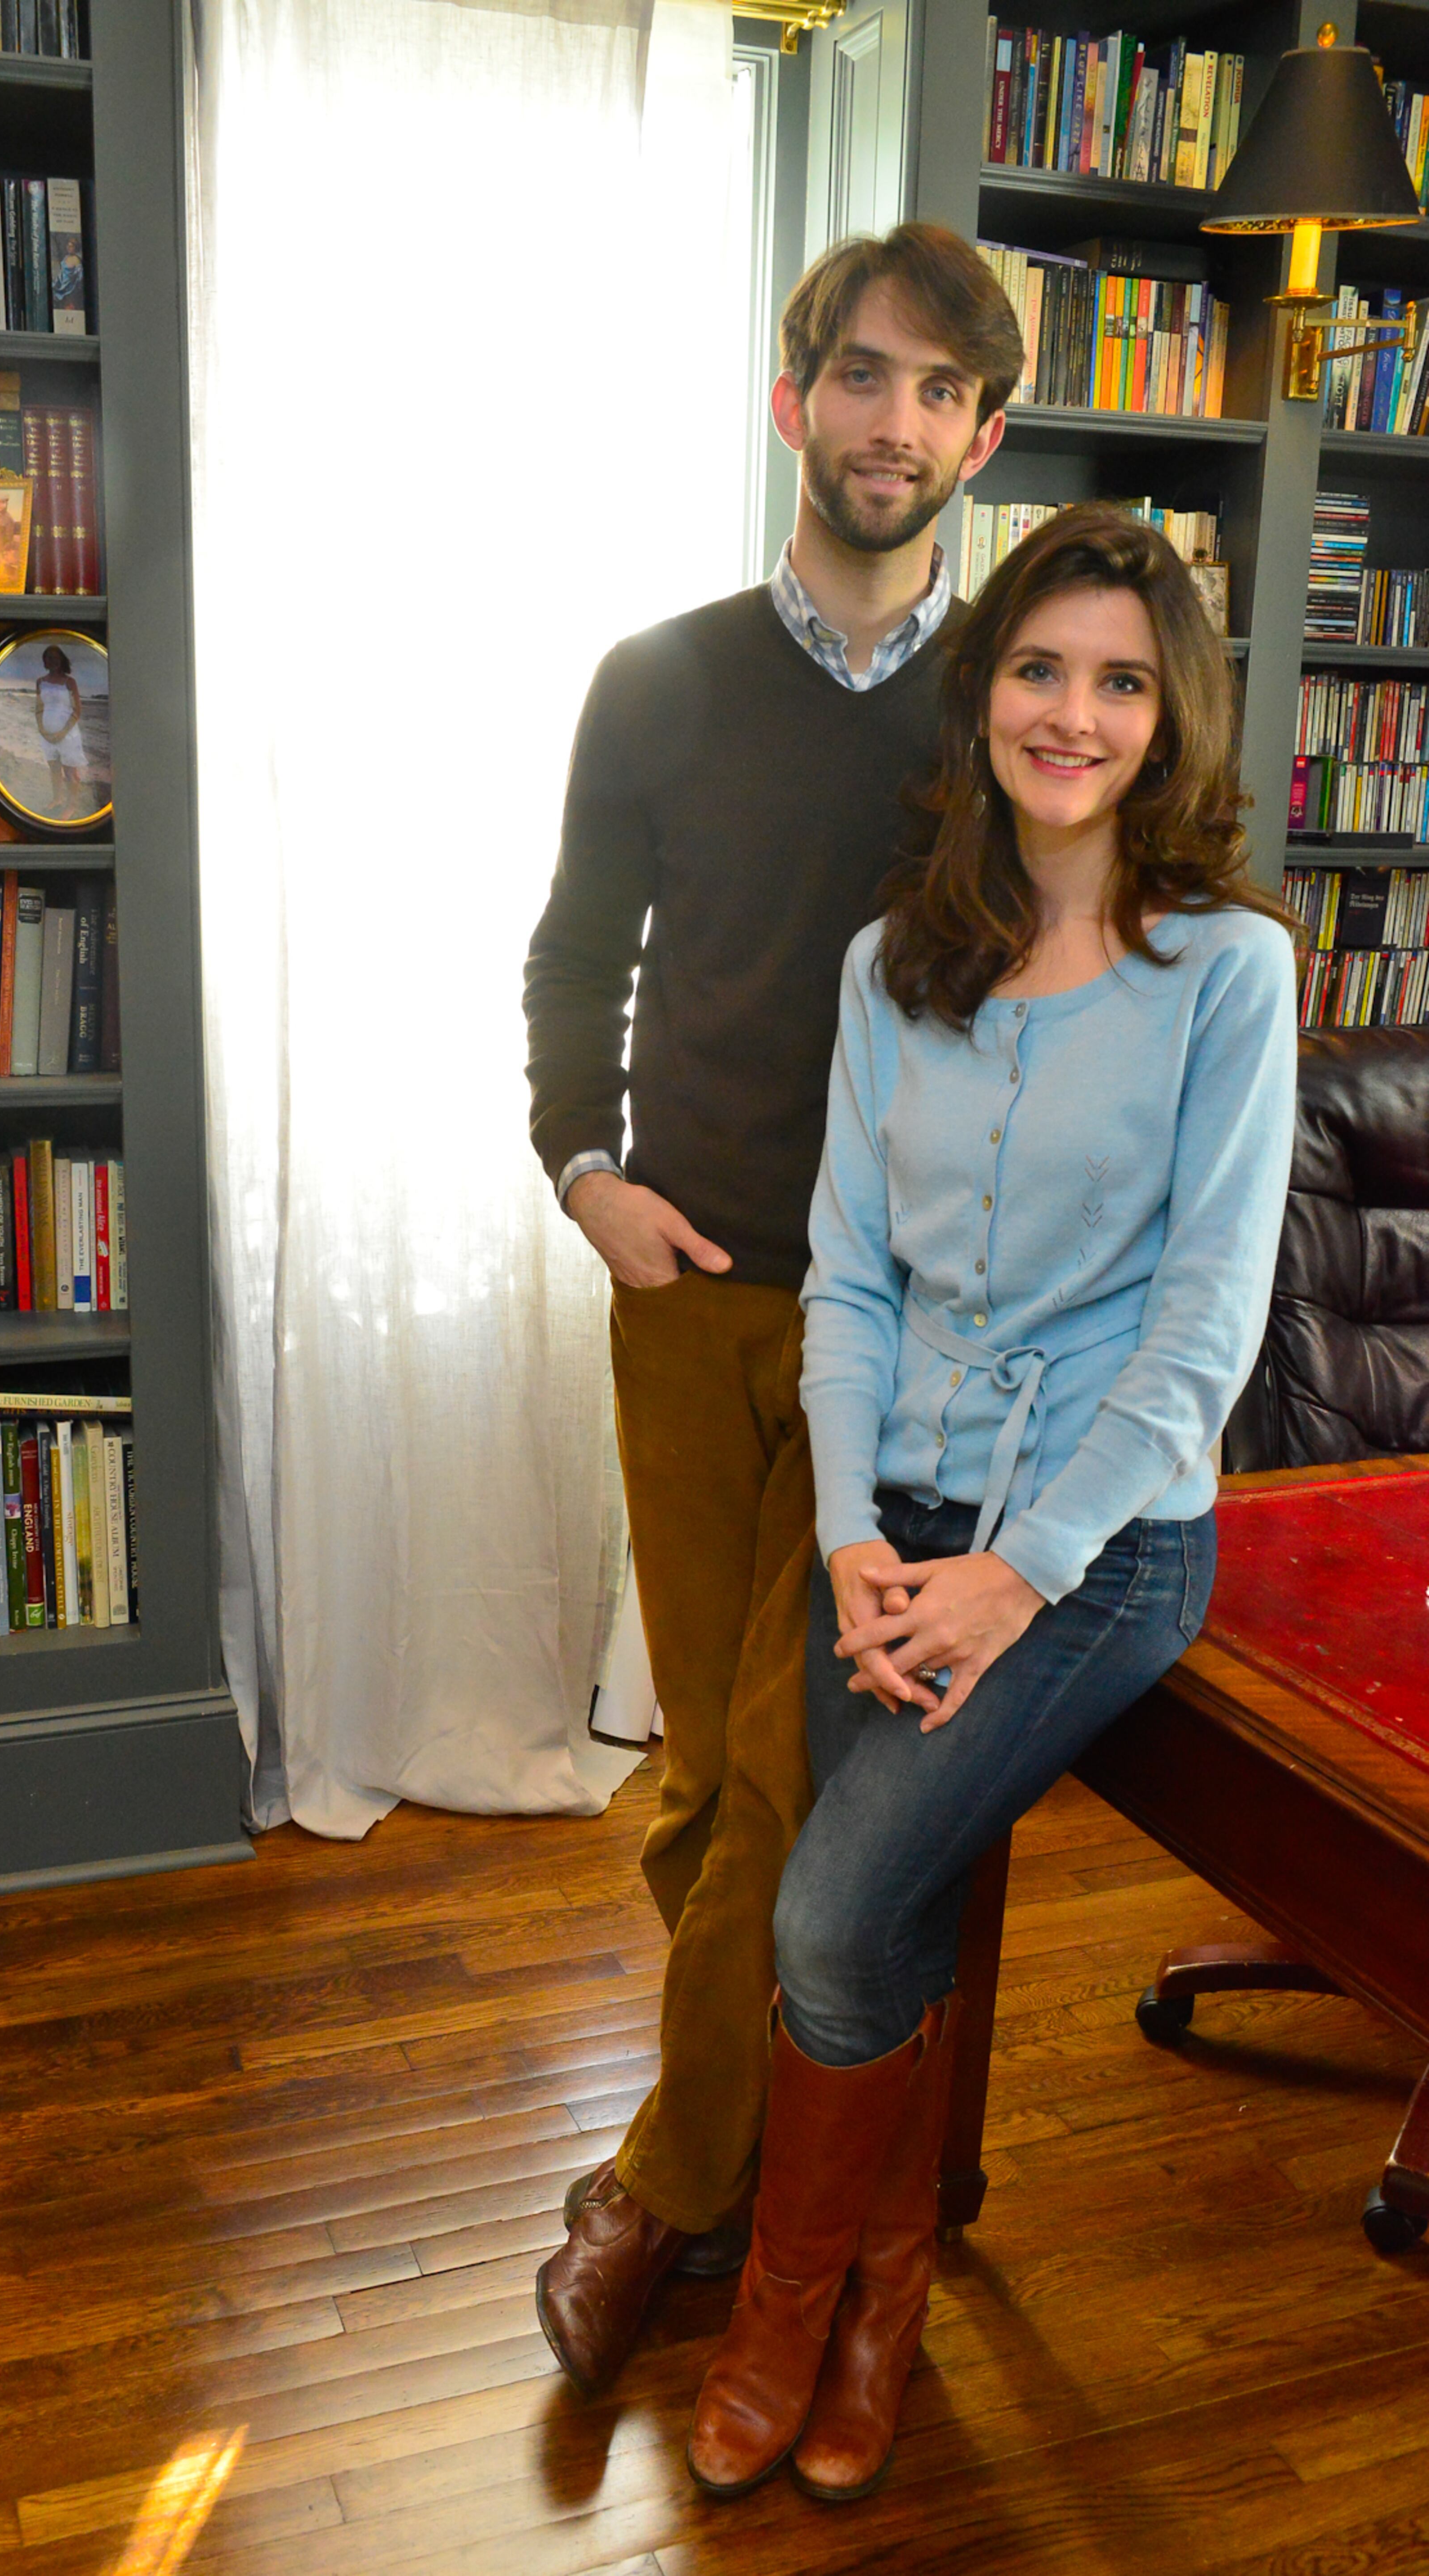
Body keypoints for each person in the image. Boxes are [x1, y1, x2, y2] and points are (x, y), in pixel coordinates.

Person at [685, 503, 1301, 2502]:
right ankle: (880, 2287)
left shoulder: (1227, 971)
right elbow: (848, 1276)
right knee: (895, 1902)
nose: (1074, 711)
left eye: (1122, 679)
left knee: (835, 1905)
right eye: (1043, 666)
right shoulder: (897, 965)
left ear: (1169, 718)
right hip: (896, 1529)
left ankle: (800, 2299)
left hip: (1102, 1553)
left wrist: (1012, 1575)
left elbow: (1201, 1334)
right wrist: (861, 1531)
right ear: (987, 690)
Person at [522, 224, 1020, 2399]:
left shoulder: (1023, 702)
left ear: (981, 438)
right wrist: (582, 1168)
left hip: (895, 1329)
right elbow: (573, 955)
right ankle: (766, 2130)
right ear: (793, 396)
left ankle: (665, 2186)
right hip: (687, 1285)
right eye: (863, 374)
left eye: (938, 390)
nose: (893, 418)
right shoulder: (657, 675)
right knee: (710, 1788)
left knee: (787, 1768)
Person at [35, 643, 87, 810]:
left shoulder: (69, 682)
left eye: (56, 658)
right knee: (54, 770)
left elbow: (77, 711)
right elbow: (39, 709)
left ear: (62, 660)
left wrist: (62, 733)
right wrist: (43, 731)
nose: (53, 661)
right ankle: (57, 799)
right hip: (48, 736)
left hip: (68, 735)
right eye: (49, 657)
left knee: (71, 773)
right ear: (45, 661)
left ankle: (72, 806)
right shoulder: (40, 682)